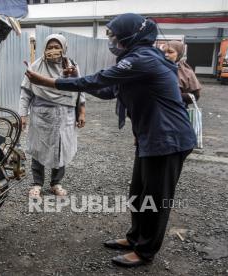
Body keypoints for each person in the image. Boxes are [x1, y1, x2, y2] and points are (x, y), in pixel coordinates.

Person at [25, 13, 196, 267]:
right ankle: (135, 237)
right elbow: (107, 90)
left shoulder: (143, 58)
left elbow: (98, 80)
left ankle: (145, 251)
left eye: (113, 35)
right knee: (138, 192)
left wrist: (50, 81)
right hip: (150, 137)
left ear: (129, 35)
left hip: (168, 139)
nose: (111, 40)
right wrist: (73, 79)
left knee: (156, 199)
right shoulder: (132, 60)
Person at [19, 34, 86, 198]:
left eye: (57, 47)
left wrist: (82, 112)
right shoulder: (35, 67)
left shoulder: (72, 67)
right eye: (50, 47)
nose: (53, 51)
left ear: (64, 48)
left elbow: (80, 89)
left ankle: (56, 182)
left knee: (61, 148)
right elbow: (25, 93)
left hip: (65, 116)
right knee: (38, 148)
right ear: (44, 49)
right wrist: (23, 115)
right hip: (42, 116)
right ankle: (37, 183)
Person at [162, 40, 202, 105]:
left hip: (177, 110)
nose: (166, 55)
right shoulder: (155, 68)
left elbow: (195, 96)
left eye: (170, 52)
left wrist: (175, 95)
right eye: (163, 52)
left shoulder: (186, 73)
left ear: (179, 54)